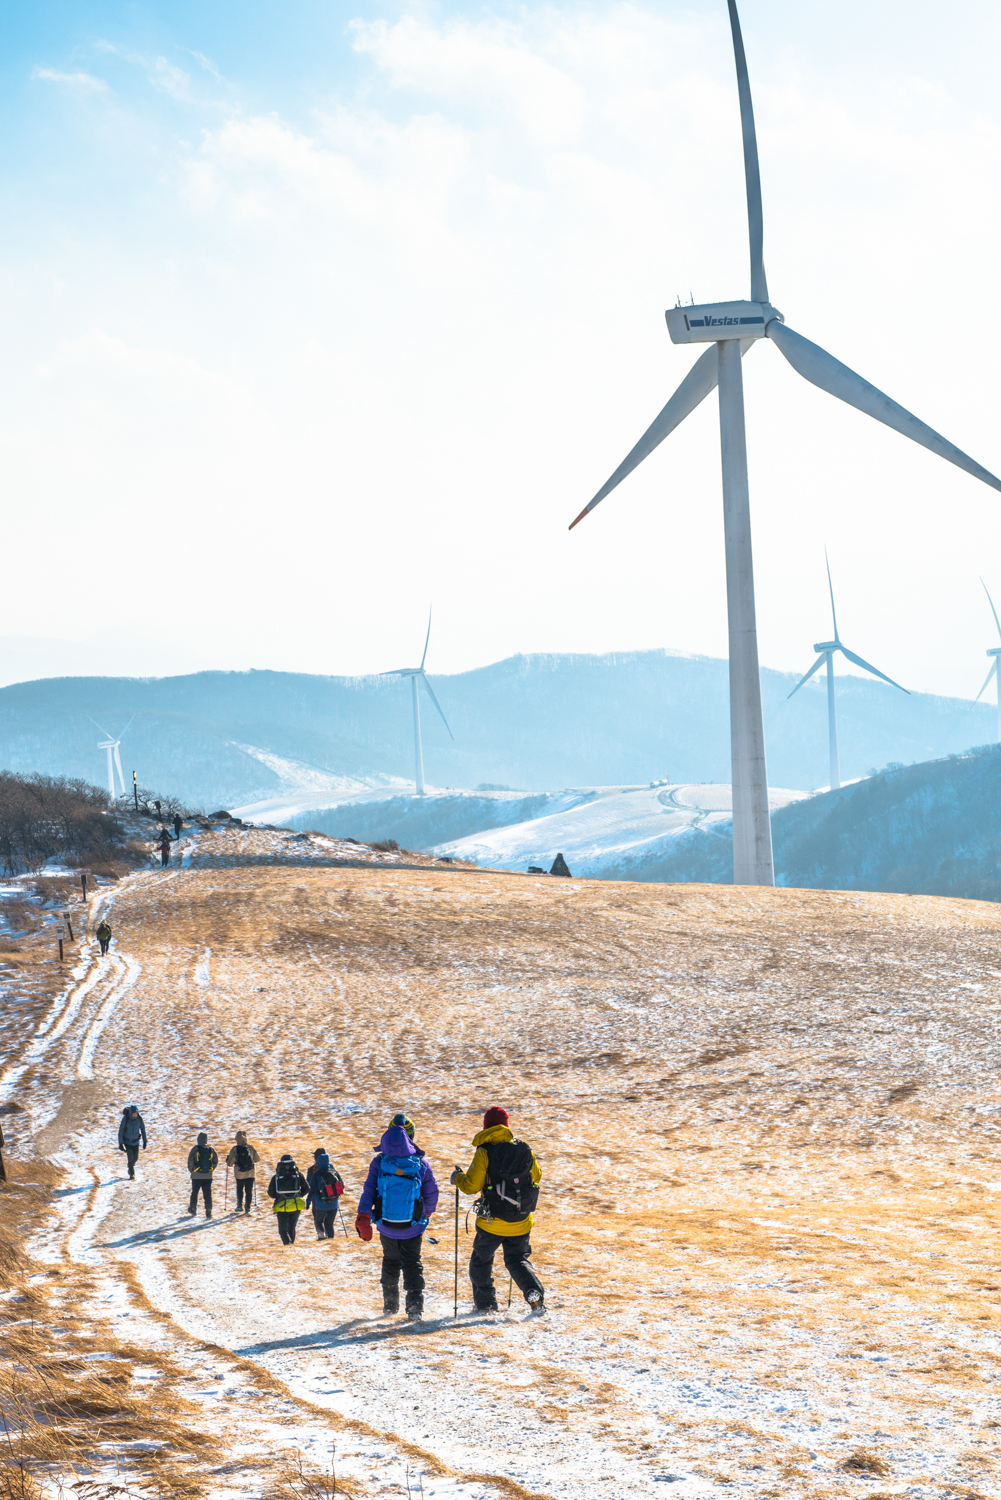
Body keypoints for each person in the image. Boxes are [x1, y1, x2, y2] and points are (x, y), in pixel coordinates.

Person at [451, 1106, 545, 1316]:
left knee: (481, 1261)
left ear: (486, 1127)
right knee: (517, 1260)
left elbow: (471, 1186)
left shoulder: (484, 1151)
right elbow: (536, 1178)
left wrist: (457, 1177)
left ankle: (486, 1304)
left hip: (491, 1222)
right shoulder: (525, 1150)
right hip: (521, 1220)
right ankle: (534, 1293)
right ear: (507, 1126)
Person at [356, 1112, 439, 1321]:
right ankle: (414, 1309)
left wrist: (364, 1214)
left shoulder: (379, 1162)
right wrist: (426, 1213)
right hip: (413, 1226)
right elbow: (432, 1193)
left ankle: (390, 1307)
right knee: (412, 1262)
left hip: (386, 1225)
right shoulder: (420, 1164)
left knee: (390, 1261)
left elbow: (369, 1190)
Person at [267, 1154, 308, 1244]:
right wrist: (299, 1195)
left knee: (283, 1230)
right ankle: (291, 1245)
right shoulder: (298, 1175)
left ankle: (287, 1245)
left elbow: (271, 1193)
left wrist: (279, 1196)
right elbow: (307, 1188)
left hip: (281, 1205)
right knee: (291, 1228)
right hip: (296, 1204)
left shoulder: (276, 1177)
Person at [305, 1149, 344, 1240]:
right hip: (334, 1203)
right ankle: (330, 1240)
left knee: (318, 1221)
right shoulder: (333, 1171)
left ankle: (321, 1236)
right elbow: (342, 1185)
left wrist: (308, 1202)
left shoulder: (315, 1174)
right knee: (329, 1223)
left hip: (320, 1204)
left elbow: (312, 1190)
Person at [225, 1130, 260, 1214]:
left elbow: (230, 1163)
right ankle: (248, 1208)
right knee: (249, 1190)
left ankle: (239, 1206)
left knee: (240, 1189)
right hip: (251, 1173)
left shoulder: (234, 1149)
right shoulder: (250, 1148)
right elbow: (257, 1159)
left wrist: (227, 1160)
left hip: (239, 1173)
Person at [186, 1132, 218, 1217]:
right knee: (207, 1194)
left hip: (196, 1176)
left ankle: (193, 1209)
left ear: (198, 1140)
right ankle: (208, 1211)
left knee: (194, 1193)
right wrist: (210, 1170)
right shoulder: (210, 1149)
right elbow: (215, 1161)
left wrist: (192, 1171)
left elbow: (190, 1162)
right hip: (208, 1176)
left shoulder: (195, 1149)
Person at [117, 1104, 147, 1180]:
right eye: (133, 1114)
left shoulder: (139, 1119)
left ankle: (130, 1166)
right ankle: (132, 1173)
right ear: (130, 1113)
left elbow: (143, 1130)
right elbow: (121, 1131)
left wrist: (145, 1141)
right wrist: (120, 1143)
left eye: (136, 1114)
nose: (135, 1115)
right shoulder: (125, 1119)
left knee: (135, 1158)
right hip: (127, 1142)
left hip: (136, 1142)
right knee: (130, 1158)